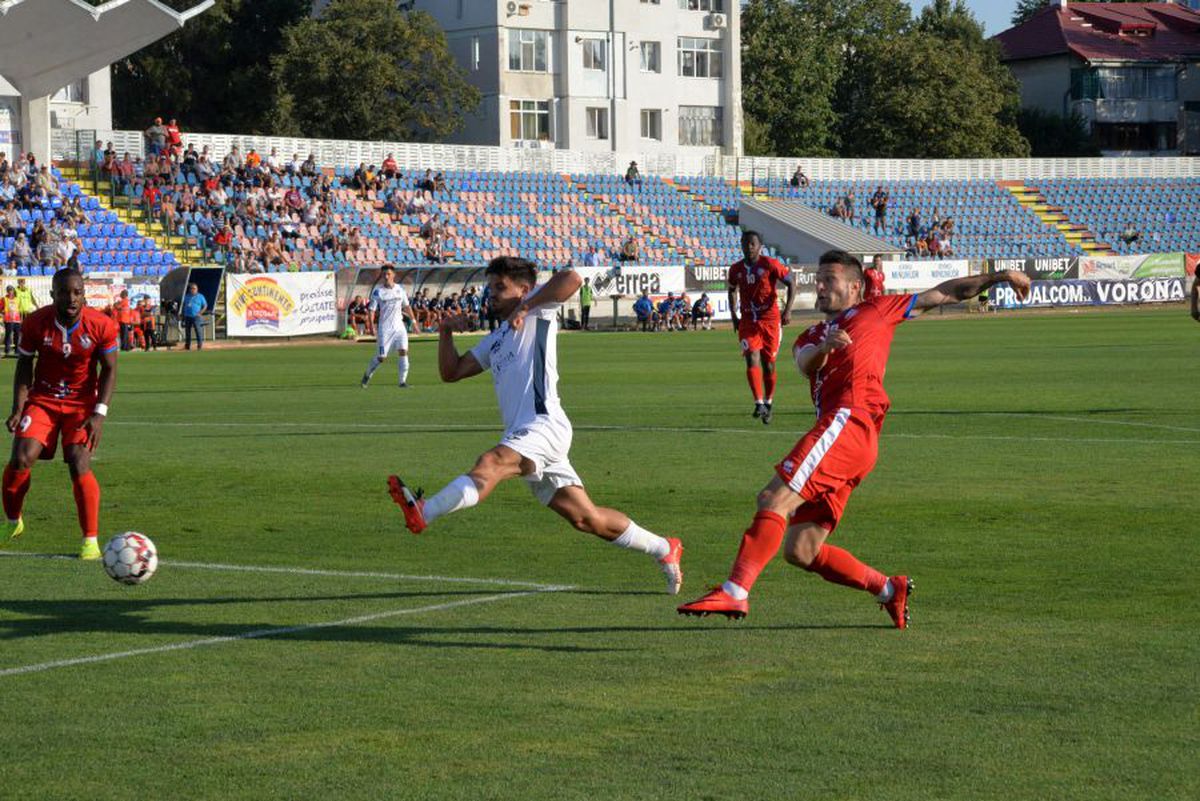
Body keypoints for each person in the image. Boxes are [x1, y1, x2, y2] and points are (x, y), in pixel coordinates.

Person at [678, 252, 1031, 626]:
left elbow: (944, 293)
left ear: (855, 287)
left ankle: (735, 592)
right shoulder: (811, 335)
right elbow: (804, 363)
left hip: (850, 421)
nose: (821, 286)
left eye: (830, 279)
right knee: (802, 550)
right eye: (818, 279)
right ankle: (888, 589)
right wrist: (826, 347)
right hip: (846, 437)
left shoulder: (877, 311)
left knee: (773, 497)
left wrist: (1002, 275)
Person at [386, 257, 683, 593]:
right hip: (526, 434)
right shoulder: (496, 338)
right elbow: (451, 372)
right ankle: (664, 547)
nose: (491, 294)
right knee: (586, 519)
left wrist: (526, 307)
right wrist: (445, 330)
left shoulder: (540, 310)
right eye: (490, 287)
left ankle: (426, 510)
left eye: (500, 287)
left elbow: (572, 278)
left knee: (490, 463)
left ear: (524, 289)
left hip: (544, 424)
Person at [1, 268, 119, 560]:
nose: (71, 298)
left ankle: (89, 540)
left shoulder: (101, 325)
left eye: (77, 292)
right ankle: (13, 522)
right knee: (20, 457)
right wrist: (19, 407)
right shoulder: (36, 323)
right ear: (53, 294)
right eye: (64, 292)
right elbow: (24, 365)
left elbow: (110, 369)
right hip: (43, 399)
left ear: (84, 295)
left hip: (81, 404)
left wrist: (99, 414)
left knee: (79, 462)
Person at [728, 231, 794, 425]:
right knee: (752, 357)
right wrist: (734, 316)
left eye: (752, 244)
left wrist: (788, 310)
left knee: (769, 364)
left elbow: (792, 283)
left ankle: (769, 401)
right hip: (748, 321)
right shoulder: (736, 269)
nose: (748, 247)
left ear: (760, 246)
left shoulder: (770, 264)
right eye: (745, 243)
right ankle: (758, 403)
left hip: (770, 321)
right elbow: (731, 290)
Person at [361, 265, 416, 388]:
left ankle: (402, 382)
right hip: (385, 329)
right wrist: (371, 327)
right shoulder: (378, 291)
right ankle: (367, 374)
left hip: (399, 328)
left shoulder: (400, 289)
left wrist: (414, 322)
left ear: (393, 275)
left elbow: (407, 306)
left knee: (403, 352)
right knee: (381, 357)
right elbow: (371, 311)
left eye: (388, 274)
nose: (386, 277)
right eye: (384, 274)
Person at [181, 283, 207, 350]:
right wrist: (182, 314)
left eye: (194, 288)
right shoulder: (186, 296)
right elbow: (183, 305)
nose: (192, 290)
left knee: (198, 331)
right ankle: (187, 346)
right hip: (187, 316)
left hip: (196, 317)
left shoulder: (200, 296)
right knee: (187, 332)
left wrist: (200, 313)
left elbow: (205, 306)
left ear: (197, 289)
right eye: (191, 288)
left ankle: (199, 345)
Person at [2, 286, 21, 357]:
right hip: (8, 320)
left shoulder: (17, 299)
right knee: (8, 335)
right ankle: (7, 350)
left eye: (11, 290)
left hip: (17, 320)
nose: (10, 292)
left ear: (13, 291)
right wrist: (2, 312)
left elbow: (18, 307)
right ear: (7, 291)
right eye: (9, 290)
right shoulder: (4, 299)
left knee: (17, 335)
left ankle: (17, 350)